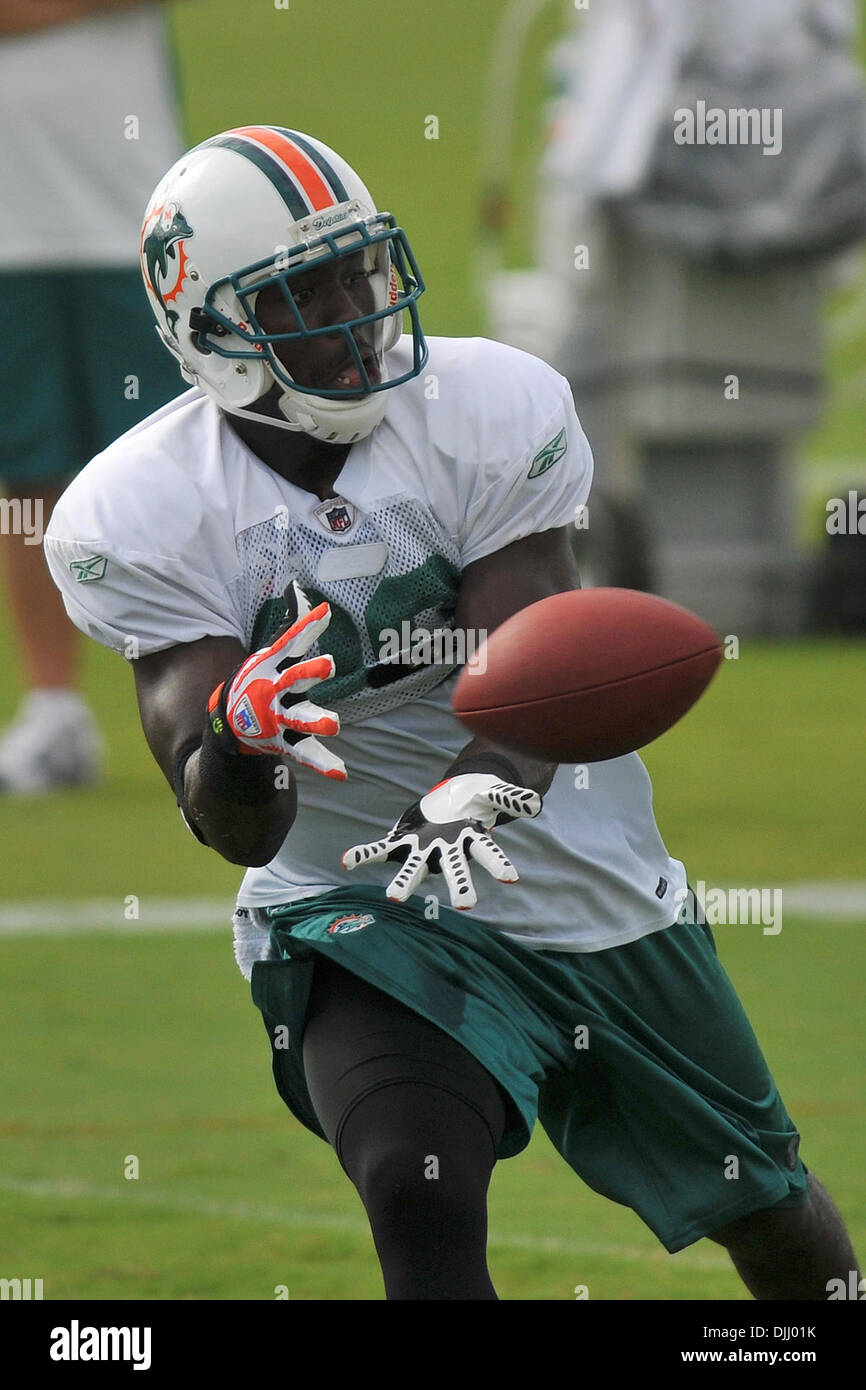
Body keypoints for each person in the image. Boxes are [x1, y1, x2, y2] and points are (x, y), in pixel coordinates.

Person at [44, 126, 859, 1300]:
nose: (350, 311)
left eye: (356, 271)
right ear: (214, 335)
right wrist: (236, 737)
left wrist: (477, 790)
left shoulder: (487, 404)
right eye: (300, 292)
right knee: (416, 1184)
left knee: (765, 1205)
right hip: (356, 895)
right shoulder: (138, 510)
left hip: (580, 877)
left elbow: (536, 661)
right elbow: (234, 825)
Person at [0, 0, 184, 792]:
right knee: (28, 471)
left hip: (132, 214)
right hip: (12, 223)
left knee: (187, 462)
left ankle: (236, 693)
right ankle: (54, 715)